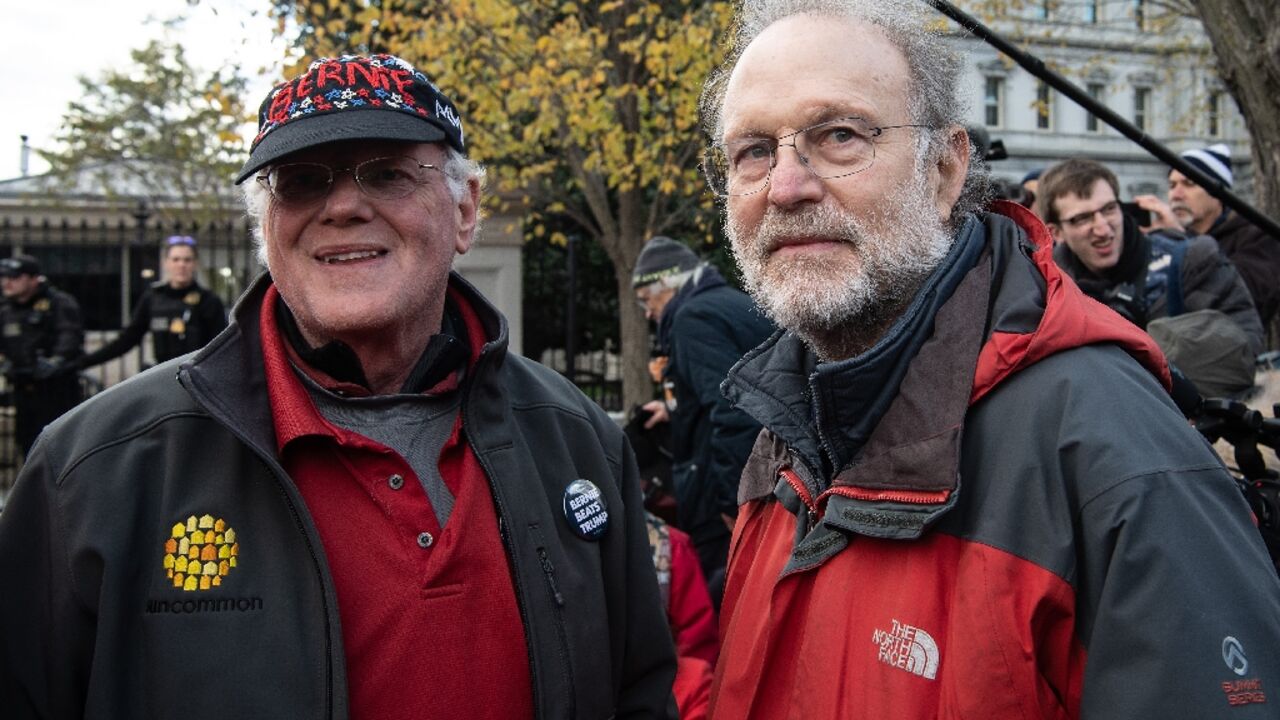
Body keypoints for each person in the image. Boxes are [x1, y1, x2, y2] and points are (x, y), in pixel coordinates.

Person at [0, 53, 675, 719]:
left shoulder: (578, 440)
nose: (344, 205)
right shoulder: (90, 473)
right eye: (300, 182)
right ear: (266, 227)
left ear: (465, 209)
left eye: (387, 173)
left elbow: (639, 695)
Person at [697, 1, 1280, 718]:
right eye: (753, 151)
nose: (785, 186)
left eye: (839, 135)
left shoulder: (1109, 449)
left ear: (944, 169)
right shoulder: (783, 431)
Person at [1039, 157, 1263, 397]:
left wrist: (1160, 352)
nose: (1103, 229)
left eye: (1109, 209)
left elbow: (1244, 347)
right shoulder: (1046, 290)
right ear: (1056, 232)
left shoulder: (1192, 260)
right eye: (1082, 218)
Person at [632, 235, 774, 603]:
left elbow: (733, 408)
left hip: (721, 500)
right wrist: (676, 409)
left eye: (648, 300)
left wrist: (733, 503)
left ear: (668, 284)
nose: (648, 314)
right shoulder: (731, 305)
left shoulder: (692, 319)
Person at [1136, 144, 1280, 335]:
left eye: (1189, 184)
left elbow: (1243, 296)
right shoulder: (1162, 238)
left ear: (1217, 193)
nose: (1176, 194)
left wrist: (1180, 241)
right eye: (1172, 185)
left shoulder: (1256, 237)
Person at [76, 235, 228, 371]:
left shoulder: (209, 301)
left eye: (187, 260)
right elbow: (127, 339)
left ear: (194, 264)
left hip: (197, 377)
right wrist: (83, 362)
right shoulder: (153, 298)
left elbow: (221, 349)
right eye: (176, 259)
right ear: (166, 263)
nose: (181, 265)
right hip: (162, 375)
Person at [0, 255, 84, 458]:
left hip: (57, 390)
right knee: (27, 444)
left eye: (14, 277)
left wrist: (56, 361)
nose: (7, 282)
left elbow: (70, 337)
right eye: (4, 277)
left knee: (60, 446)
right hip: (23, 389)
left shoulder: (58, 304)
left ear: (33, 279)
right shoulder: (6, 309)